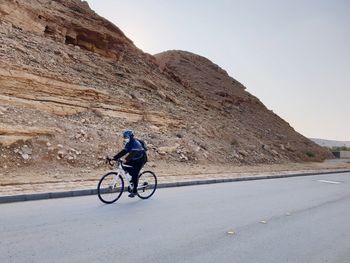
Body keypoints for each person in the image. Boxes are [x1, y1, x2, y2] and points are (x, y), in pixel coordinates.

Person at [112, 130, 147, 198]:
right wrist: (114, 158)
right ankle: (132, 180)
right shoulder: (128, 143)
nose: (125, 138)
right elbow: (124, 152)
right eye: (124, 137)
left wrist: (126, 159)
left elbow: (132, 153)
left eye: (126, 137)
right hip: (134, 159)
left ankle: (135, 191)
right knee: (124, 166)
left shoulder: (136, 143)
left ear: (130, 136)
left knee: (135, 173)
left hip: (141, 159)